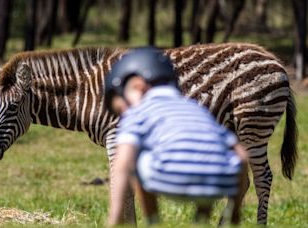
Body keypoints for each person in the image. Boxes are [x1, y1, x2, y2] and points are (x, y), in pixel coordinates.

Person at [105, 47, 249, 226]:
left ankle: (153, 221)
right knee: (208, 158)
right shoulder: (195, 108)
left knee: (137, 155)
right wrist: (235, 212)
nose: (124, 114)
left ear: (138, 87)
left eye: (122, 107)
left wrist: (115, 217)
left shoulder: (137, 112)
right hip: (221, 182)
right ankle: (201, 221)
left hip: (169, 179)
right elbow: (241, 156)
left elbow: (123, 162)